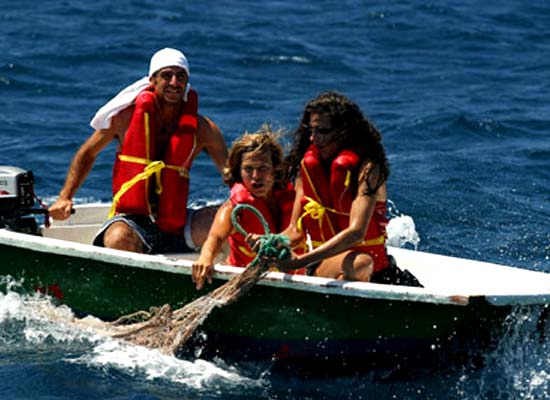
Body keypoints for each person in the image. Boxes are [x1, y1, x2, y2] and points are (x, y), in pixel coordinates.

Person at [48, 48, 228, 254]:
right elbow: (87, 153)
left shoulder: (203, 129)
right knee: (118, 239)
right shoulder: (125, 119)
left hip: (176, 223)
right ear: (152, 81)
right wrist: (65, 196)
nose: (174, 82)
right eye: (167, 75)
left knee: (234, 220)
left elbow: (230, 173)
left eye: (181, 76)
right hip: (131, 220)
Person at [277, 91, 403, 284]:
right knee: (361, 263)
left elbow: (356, 233)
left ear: (344, 131)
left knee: (361, 264)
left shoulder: (368, 170)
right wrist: (270, 241)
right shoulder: (308, 169)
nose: (313, 138)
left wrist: (300, 261)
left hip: (378, 272)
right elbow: (294, 231)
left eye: (322, 131)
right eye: (311, 131)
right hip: (323, 266)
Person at [191, 125, 300, 290]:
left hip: (290, 281)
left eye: (262, 168)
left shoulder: (293, 201)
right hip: (244, 283)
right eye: (249, 169)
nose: (256, 177)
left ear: (276, 169)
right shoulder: (234, 210)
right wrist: (205, 258)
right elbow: (214, 239)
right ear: (239, 172)